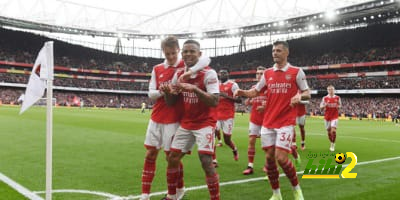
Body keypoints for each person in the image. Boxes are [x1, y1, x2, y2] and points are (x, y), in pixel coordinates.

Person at [235, 41, 309, 200]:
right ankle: (276, 194)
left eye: (279, 50)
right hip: (268, 122)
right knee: (269, 159)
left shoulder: (296, 72)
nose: (275, 53)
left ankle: (296, 189)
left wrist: (299, 96)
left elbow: (307, 92)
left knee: (281, 158)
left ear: (286, 53)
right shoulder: (267, 73)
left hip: (286, 122)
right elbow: (256, 91)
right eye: (273, 50)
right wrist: (243, 92)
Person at [140, 36, 210, 200]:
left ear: (178, 50)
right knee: (150, 153)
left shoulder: (184, 65)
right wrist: (164, 91)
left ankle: (179, 189)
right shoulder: (157, 68)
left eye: (173, 53)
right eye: (167, 54)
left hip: (175, 118)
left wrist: (188, 73)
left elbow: (206, 59)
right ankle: (145, 194)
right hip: (156, 116)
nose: (171, 57)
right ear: (163, 52)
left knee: (171, 156)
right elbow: (151, 94)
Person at [162, 39, 220, 200]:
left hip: (205, 123)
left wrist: (194, 89)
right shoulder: (179, 74)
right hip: (187, 123)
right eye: (185, 51)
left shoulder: (209, 73)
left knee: (206, 161)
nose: (188, 54)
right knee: (172, 158)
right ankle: (172, 196)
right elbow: (170, 103)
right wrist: (167, 92)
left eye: (192, 51)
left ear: (199, 54)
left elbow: (215, 101)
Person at [212, 69, 241, 167]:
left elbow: (239, 100)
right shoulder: (216, 85)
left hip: (228, 116)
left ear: (228, 74)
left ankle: (234, 150)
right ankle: (214, 160)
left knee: (227, 140)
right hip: (216, 115)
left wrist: (226, 96)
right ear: (219, 75)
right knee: (212, 137)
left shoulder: (233, 85)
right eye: (221, 73)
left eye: (225, 73)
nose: (223, 74)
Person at [242, 66, 267, 175]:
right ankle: (250, 165)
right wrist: (248, 100)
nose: (259, 75)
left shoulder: (269, 88)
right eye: (257, 73)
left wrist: (265, 107)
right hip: (254, 119)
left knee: (266, 145)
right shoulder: (253, 88)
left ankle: (267, 164)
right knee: (251, 141)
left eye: (261, 73)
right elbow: (248, 102)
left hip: (267, 120)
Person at [320, 85, 341, 152]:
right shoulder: (325, 98)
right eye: (329, 89)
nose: (331, 91)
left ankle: (332, 144)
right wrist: (324, 105)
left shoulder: (337, 97)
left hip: (334, 116)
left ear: (334, 90)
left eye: (332, 89)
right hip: (327, 117)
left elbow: (340, 105)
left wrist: (339, 107)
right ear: (327, 90)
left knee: (333, 131)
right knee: (329, 132)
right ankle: (331, 142)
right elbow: (320, 108)